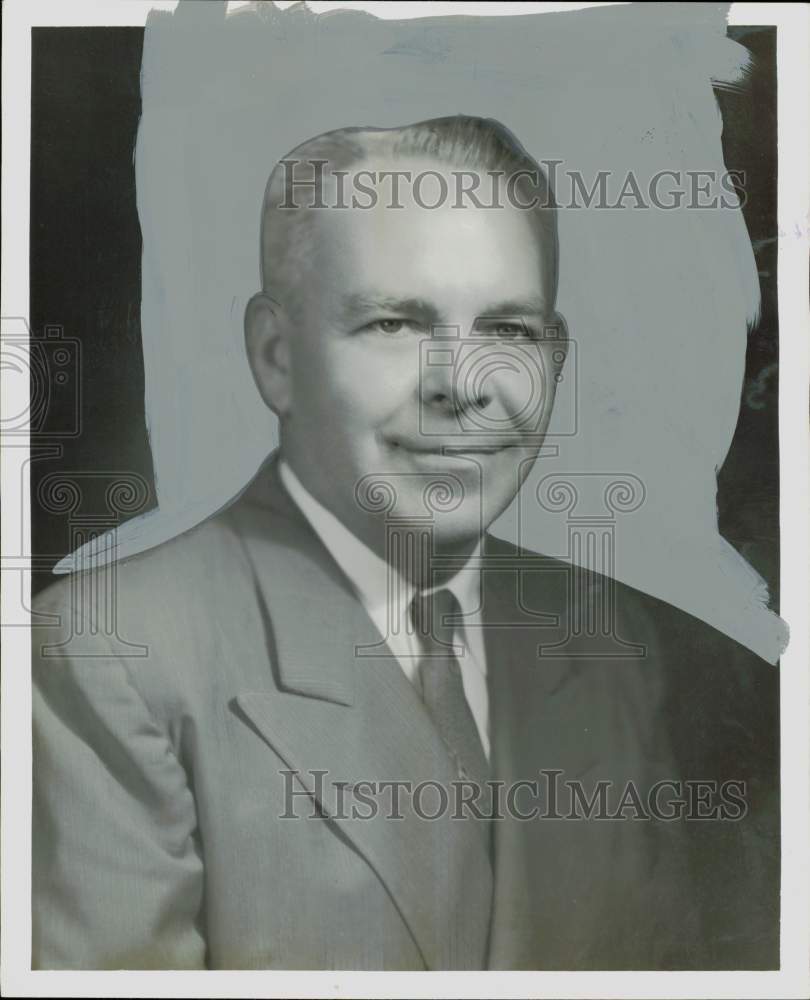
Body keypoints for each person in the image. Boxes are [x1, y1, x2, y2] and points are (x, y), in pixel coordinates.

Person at [31, 116, 778, 971]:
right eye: (393, 324)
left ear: (557, 359)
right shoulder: (109, 653)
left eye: (509, 332)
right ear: (275, 356)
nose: (463, 386)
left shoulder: (616, 644)